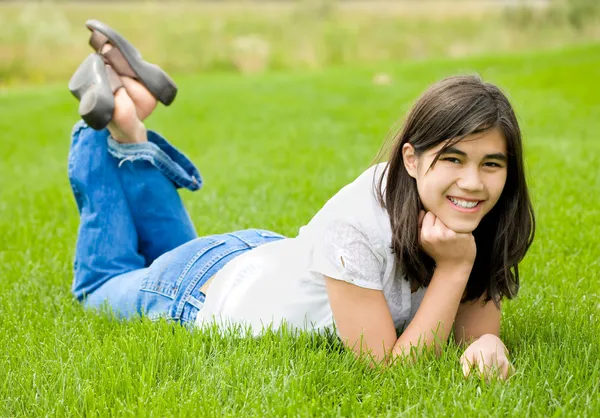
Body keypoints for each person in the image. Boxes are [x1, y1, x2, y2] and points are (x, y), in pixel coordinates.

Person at [68, 21, 535, 379]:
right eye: (453, 159)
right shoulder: (358, 224)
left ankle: (129, 121)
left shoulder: (470, 216)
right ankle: (100, 122)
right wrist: (454, 268)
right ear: (410, 159)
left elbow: (471, 332)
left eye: (491, 164)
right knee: (100, 284)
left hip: (259, 258)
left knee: (165, 253)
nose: (473, 182)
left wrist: (489, 345)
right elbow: (393, 371)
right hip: (201, 294)